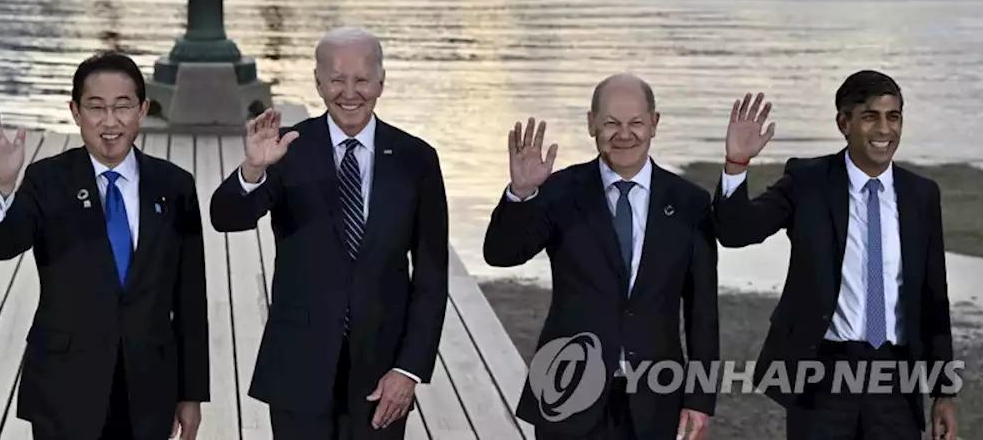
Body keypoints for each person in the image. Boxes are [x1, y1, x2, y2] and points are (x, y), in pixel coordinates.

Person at [209, 27, 449, 440]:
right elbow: (227, 217)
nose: (349, 92)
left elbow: (431, 276)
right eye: (337, 79)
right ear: (318, 81)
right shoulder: (286, 149)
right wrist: (253, 171)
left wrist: (408, 369)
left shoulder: (417, 159)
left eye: (362, 80)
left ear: (381, 82)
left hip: (381, 375)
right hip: (297, 369)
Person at [0, 50, 208, 440]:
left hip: (148, 383)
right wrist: (4, 185)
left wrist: (192, 393)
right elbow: (0, 245)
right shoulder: (47, 179)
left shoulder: (175, 185)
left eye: (123, 106)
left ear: (143, 109)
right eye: (96, 107)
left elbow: (190, 298)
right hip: (64, 383)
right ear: (75, 111)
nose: (110, 121)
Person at [715, 72, 958, 440]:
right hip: (823, 374)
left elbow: (933, 298)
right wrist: (736, 164)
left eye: (893, 116)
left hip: (895, 378)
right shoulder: (808, 182)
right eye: (870, 116)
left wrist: (944, 392)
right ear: (844, 123)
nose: (884, 129)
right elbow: (735, 232)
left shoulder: (921, 195)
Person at [482, 73, 719, 440]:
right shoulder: (559, 190)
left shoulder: (690, 203)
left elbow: (703, 313)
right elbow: (501, 255)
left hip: (656, 395)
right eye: (611, 123)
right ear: (591, 124)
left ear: (654, 123)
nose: (624, 135)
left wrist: (700, 400)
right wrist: (520, 193)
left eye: (636, 123)